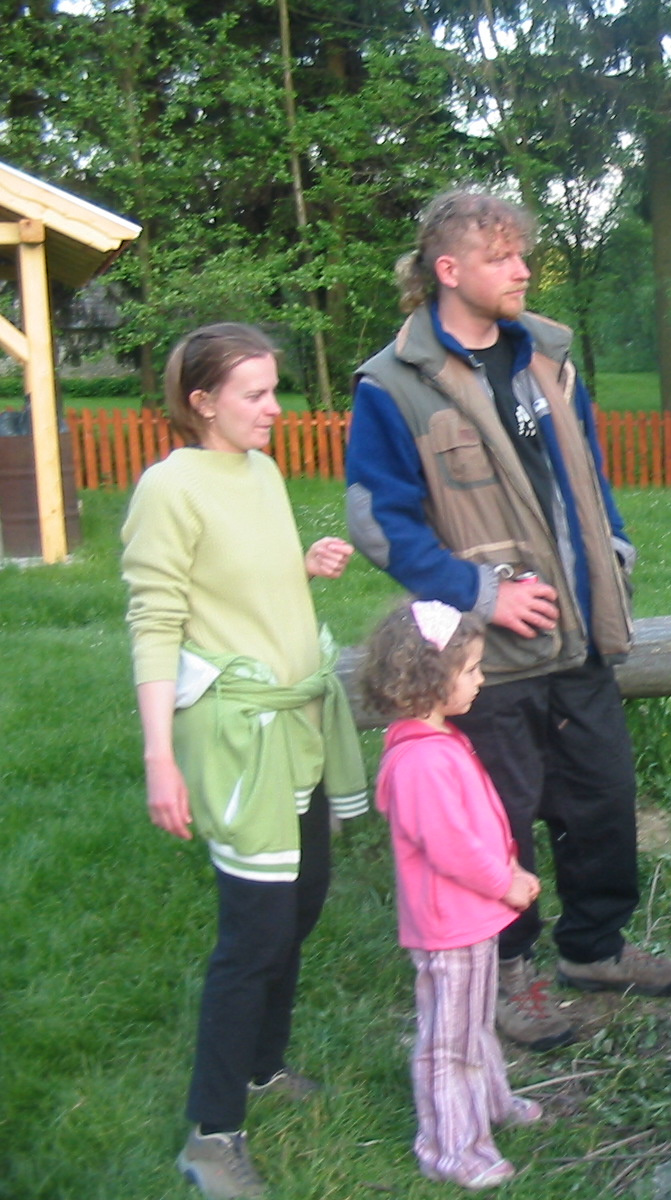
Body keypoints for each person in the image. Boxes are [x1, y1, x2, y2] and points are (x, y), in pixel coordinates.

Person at [345, 189, 671, 1054]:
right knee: (497, 820)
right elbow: (378, 523)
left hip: (579, 634)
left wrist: (613, 547)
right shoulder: (395, 386)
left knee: (602, 797)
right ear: (448, 270)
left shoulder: (548, 357)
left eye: (522, 253)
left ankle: (597, 949)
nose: (524, 269)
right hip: (484, 657)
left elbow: (590, 473)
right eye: (502, 256)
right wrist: (479, 593)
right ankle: (507, 975)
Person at [122, 323, 368, 1200]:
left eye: (274, 390)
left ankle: (262, 1068)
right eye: (257, 394)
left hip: (297, 720)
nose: (275, 408)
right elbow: (156, 622)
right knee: (253, 934)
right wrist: (161, 758)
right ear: (203, 401)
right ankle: (210, 1133)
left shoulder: (259, 471)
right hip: (235, 739)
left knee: (300, 904)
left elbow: (247, 579)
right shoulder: (168, 487)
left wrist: (302, 565)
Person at [361, 599, 547, 1190]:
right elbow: (451, 847)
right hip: (452, 923)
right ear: (429, 679)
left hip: (469, 917)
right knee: (450, 1041)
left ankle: (491, 1104)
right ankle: (450, 1146)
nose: (480, 678)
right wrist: (506, 881)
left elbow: (470, 826)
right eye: (470, 669)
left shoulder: (438, 740)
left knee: (473, 1025)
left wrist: (504, 868)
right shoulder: (421, 760)